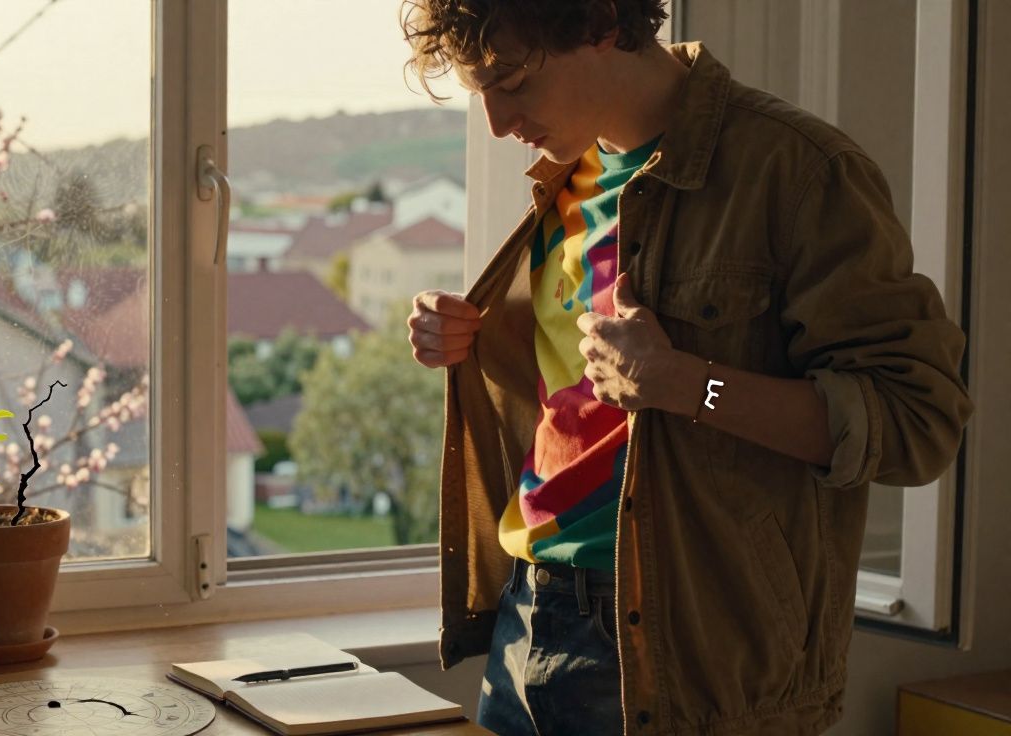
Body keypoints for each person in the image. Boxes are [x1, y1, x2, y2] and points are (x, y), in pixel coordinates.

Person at [400, 1, 974, 734]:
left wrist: (686, 385)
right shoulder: (566, 179)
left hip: (691, 658)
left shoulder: (797, 171)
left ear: (601, 22)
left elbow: (916, 422)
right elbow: (577, 404)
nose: (498, 122)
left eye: (511, 81)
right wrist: (463, 340)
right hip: (528, 626)